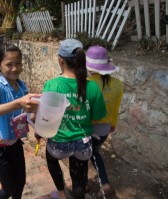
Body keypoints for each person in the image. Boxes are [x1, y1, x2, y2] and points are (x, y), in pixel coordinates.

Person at [42, 39, 106, 199]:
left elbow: (46, 117)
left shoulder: (52, 85)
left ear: (60, 60)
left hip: (59, 144)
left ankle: (62, 193)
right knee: (79, 179)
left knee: (51, 159)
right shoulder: (92, 87)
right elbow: (98, 118)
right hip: (83, 144)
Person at [0, 44, 40, 199]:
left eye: (18, 63)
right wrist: (17, 103)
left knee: (20, 183)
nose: (15, 69)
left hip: (15, 144)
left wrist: (38, 120)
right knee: (9, 188)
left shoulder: (21, 85)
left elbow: (27, 113)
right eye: (9, 64)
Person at [85, 46, 123, 198]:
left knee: (86, 154)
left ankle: (89, 183)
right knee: (93, 152)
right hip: (105, 129)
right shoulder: (118, 84)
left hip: (88, 129)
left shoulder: (87, 84)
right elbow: (115, 108)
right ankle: (99, 183)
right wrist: (113, 124)